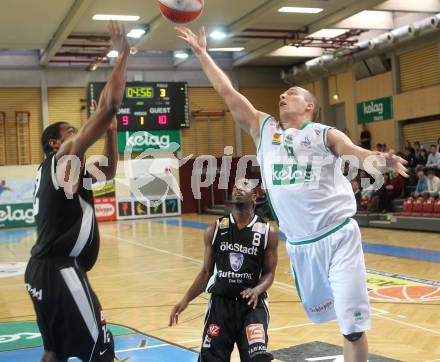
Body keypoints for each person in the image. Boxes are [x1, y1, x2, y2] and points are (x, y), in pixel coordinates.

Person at [175, 25, 408, 362]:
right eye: (282, 93)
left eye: (293, 92)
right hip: (300, 245)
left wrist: (380, 161)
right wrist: (201, 53)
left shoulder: (322, 133)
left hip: (338, 236)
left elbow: (354, 152)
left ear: (309, 106)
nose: (283, 95)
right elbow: (227, 93)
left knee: (352, 326)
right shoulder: (263, 128)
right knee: (330, 319)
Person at [24, 21, 129, 362]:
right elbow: (108, 105)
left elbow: (110, 171)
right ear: (55, 143)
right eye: (70, 131)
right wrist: (122, 53)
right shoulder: (62, 159)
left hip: (41, 271)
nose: (77, 133)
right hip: (61, 271)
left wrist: (112, 134)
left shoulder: (73, 173)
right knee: (102, 353)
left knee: (53, 353)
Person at [169, 179, 278, 362]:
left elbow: (269, 273)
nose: (238, 190)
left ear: (255, 196)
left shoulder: (268, 231)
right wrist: (185, 300)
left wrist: (257, 289)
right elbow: (206, 272)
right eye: (235, 187)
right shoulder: (215, 228)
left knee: (257, 358)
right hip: (221, 307)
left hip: (252, 307)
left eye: (244, 187)